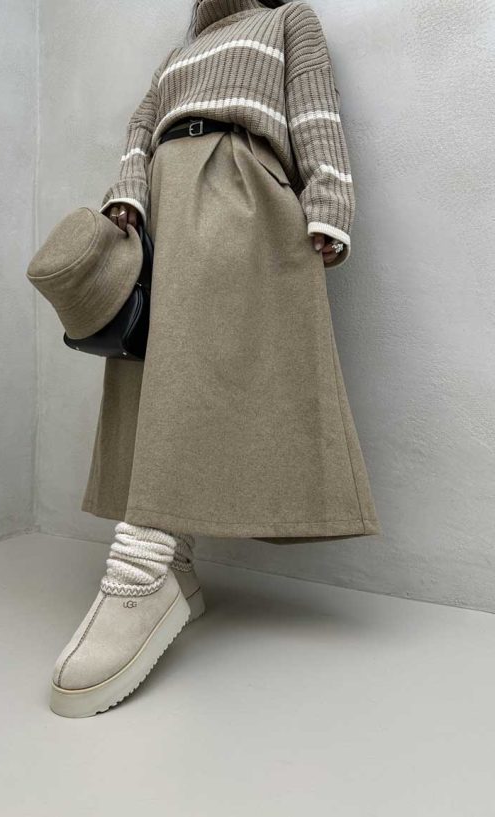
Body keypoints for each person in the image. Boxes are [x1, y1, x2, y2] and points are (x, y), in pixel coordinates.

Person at [49, 0, 381, 718]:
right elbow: (139, 128)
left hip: (240, 187)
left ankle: (140, 571)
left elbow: (316, 106)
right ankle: (176, 567)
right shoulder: (179, 53)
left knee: (199, 374)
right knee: (150, 376)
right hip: (163, 203)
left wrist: (330, 199)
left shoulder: (288, 20)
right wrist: (128, 192)